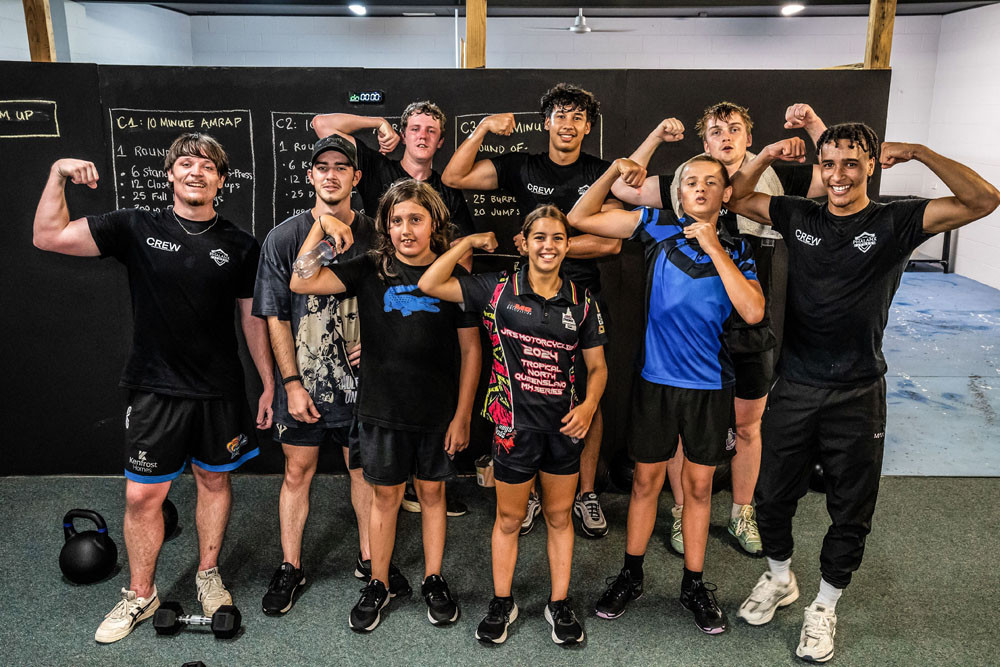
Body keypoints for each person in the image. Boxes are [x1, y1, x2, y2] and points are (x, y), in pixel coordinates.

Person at [727, 125, 1000, 663]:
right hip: (798, 383)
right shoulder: (796, 214)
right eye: (829, 164)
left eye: (851, 163)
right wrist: (763, 154)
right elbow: (735, 197)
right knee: (771, 497)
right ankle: (781, 578)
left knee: (850, 508)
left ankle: (825, 605)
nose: (838, 175)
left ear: (872, 165)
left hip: (857, 390)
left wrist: (920, 151)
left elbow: (984, 199)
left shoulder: (895, 221)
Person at [32, 133, 274, 643]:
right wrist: (57, 173)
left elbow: (253, 319)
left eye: (207, 167)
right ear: (169, 174)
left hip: (218, 390)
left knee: (214, 483)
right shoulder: (135, 226)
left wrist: (269, 383)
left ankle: (209, 574)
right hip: (155, 388)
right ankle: (141, 595)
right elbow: (48, 236)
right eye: (185, 163)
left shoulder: (240, 244)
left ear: (221, 181)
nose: (195, 172)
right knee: (143, 497)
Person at [611, 102, 826, 556]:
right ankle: (681, 510)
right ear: (703, 144)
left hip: (749, 317)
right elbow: (621, 188)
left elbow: (834, 177)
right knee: (677, 429)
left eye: (734, 130)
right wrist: (651, 138)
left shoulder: (777, 179)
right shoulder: (685, 181)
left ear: (748, 138)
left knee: (748, 425)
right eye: (714, 132)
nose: (725, 137)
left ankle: (742, 512)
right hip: (690, 328)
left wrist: (810, 126)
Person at [570, 155, 765, 635]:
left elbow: (754, 311)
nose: (699, 189)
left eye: (710, 183)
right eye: (690, 182)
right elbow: (579, 217)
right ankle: (631, 576)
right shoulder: (655, 226)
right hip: (656, 383)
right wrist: (615, 174)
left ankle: (693, 584)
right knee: (644, 485)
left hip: (709, 388)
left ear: (725, 195)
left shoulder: (738, 248)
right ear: (678, 193)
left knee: (699, 489)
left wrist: (715, 246)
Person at [290, 179, 481, 632]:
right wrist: (320, 223)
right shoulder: (370, 268)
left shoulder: (454, 276)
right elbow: (302, 280)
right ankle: (379, 581)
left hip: (437, 412)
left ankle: (434, 578)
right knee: (386, 497)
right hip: (381, 410)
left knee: (432, 494)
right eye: (396, 221)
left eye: (415, 219)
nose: (405, 230)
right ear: (386, 227)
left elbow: (473, 352)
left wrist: (462, 415)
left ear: (434, 224)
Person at [419, 206, 608, 646]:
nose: (549, 246)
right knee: (509, 518)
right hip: (512, 429)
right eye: (539, 237)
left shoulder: (582, 302)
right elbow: (429, 283)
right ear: (522, 243)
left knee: (560, 518)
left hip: (564, 430)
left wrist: (589, 407)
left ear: (567, 245)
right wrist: (465, 243)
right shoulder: (496, 290)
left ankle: (558, 602)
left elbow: (598, 368)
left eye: (558, 238)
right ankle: (502, 601)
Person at [443, 82, 621, 538]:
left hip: (578, 298)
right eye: (561, 115)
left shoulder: (600, 172)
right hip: (523, 298)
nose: (569, 124)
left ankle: (584, 494)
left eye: (578, 117)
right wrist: (483, 127)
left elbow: (611, 241)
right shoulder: (522, 166)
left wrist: (549, 246)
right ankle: (533, 496)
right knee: (525, 394)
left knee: (586, 395)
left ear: (587, 127)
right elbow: (453, 177)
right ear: (547, 122)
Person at [315, 101, 474, 516]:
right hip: (368, 292)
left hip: (425, 313)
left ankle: (423, 482)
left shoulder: (450, 193)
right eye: (414, 128)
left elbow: (464, 266)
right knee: (378, 463)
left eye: (431, 131)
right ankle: (393, 490)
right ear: (403, 134)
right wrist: (376, 122)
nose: (422, 135)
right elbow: (322, 123)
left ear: (441, 141)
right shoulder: (378, 166)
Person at [253, 135, 384, 615]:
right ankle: (291, 565)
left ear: (356, 177)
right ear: (310, 175)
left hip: (361, 387)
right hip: (305, 383)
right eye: (322, 166)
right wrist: (289, 383)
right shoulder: (284, 238)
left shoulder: (377, 234)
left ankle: (371, 561)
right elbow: (275, 315)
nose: (331, 174)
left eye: (341, 167)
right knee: (297, 472)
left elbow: (393, 303)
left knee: (363, 473)